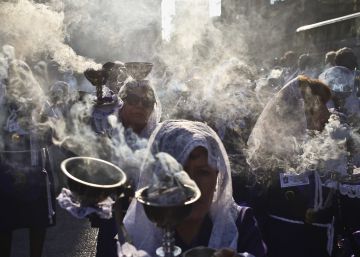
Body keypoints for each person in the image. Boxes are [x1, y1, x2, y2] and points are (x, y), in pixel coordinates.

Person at [124, 120, 267, 257]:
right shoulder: (133, 234)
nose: (193, 183)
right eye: (181, 172)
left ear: (217, 177)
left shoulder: (240, 224)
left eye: (203, 172)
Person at [246, 75, 343, 257]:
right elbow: (258, 203)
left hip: (319, 242)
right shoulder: (271, 149)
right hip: (285, 243)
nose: (329, 114)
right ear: (303, 109)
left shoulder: (323, 142)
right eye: (323, 104)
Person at [93, 78, 161, 257]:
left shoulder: (161, 138)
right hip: (113, 220)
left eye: (146, 101)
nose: (140, 105)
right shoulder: (105, 133)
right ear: (121, 102)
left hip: (149, 222)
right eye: (132, 99)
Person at [0, 49, 56, 257]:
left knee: (37, 223)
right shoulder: (1, 102)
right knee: (4, 225)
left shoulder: (40, 104)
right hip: (5, 169)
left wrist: (41, 127)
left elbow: (52, 135)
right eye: (11, 77)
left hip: (34, 170)